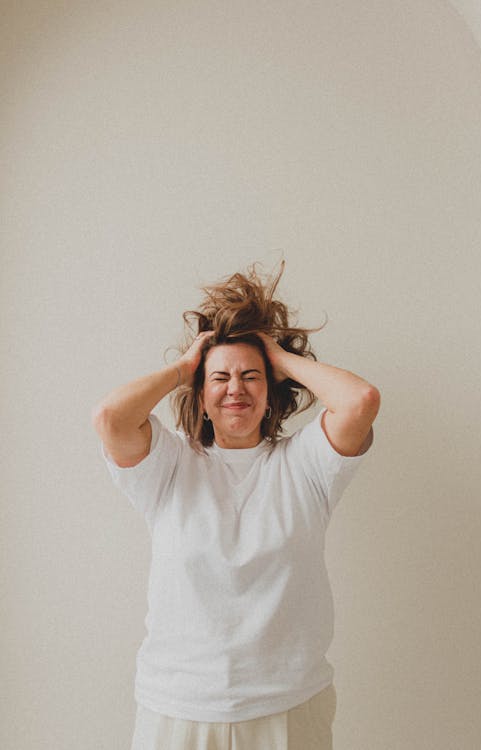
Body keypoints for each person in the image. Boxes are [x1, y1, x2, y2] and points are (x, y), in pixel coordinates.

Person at [92, 260, 380, 750]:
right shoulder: (168, 466)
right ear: (200, 396)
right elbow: (111, 417)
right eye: (219, 378)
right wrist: (185, 366)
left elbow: (360, 401)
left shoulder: (306, 465)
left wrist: (279, 356)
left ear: (271, 395)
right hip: (178, 706)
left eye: (252, 377)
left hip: (289, 704)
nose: (236, 389)